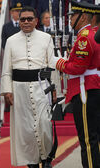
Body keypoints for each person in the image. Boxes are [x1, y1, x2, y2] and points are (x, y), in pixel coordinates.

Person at [0, 6, 56, 168]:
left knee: (44, 124)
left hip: (42, 87)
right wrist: (7, 91)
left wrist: (54, 90)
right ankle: (31, 162)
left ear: (36, 21)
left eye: (29, 19)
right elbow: (6, 68)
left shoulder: (46, 38)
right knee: (25, 129)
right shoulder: (11, 40)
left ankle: (46, 159)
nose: (25, 22)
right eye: (22, 19)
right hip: (19, 89)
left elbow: (52, 65)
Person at [54, 1, 100, 168]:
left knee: (88, 139)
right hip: (90, 88)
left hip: (85, 90)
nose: (70, 19)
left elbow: (78, 68)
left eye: (72, 16)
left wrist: (58, 63)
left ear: (83, 17)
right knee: (94, 137)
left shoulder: (84, 37)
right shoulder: (93, 33)